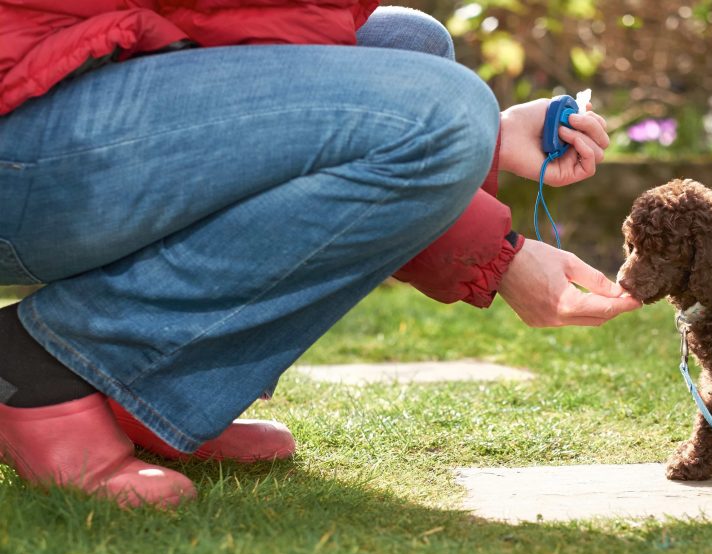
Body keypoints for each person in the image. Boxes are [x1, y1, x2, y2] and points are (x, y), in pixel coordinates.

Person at [0, 2, 640, 507]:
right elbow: (260, 43)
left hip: (56, 91)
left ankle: (138, 392)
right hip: (20, 136)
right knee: (442, 112)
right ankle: (41, 367)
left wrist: (489, 144)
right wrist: (501, 248)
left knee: (411, 47)